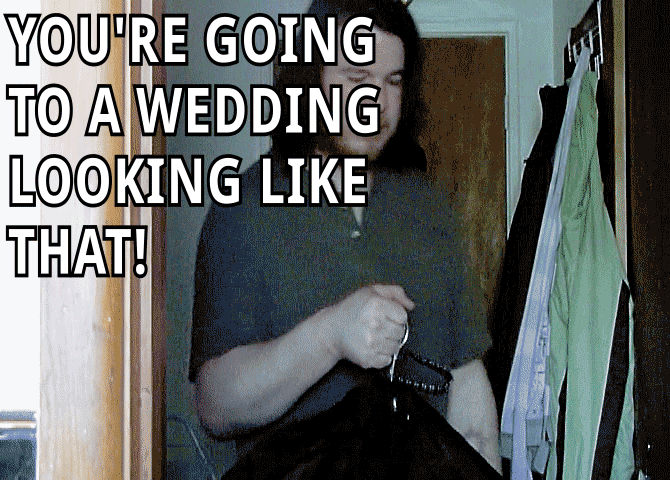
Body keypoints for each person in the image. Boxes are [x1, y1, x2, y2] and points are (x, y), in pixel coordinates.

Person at [189, 0, 502, 475]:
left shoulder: (430, 207)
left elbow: (469, 398)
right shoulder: (243, 207)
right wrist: (331, 335)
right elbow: (216, 406)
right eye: (357, 76)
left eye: (392, 81)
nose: (376, 100)